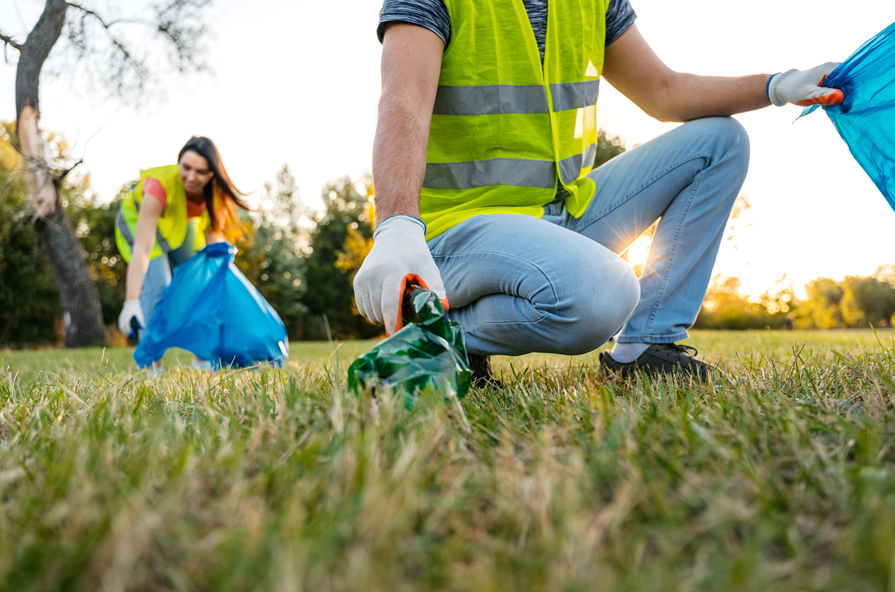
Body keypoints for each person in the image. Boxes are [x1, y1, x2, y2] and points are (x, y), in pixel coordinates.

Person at [353, 0, 844, 384]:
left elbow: (665, 90)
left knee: (720, 141)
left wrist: (776, 86)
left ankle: (646, 348)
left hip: (558, 215)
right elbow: (403, 104)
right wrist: (396, 226)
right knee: (603, 294)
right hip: (454, 232)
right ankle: (442, 333)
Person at [115, 136, 250, 368]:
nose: (190, 177)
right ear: (179, 162)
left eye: (200, 171)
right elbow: (143, 248)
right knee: (158, 284)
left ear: (211, 174)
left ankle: (202, 357)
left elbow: (212, 245)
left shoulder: (214, 194)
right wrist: (131, 300)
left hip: (175, 227)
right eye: (186, 167)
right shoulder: (159, 187)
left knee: (199, 284)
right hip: (137, 222)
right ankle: (150, 365)